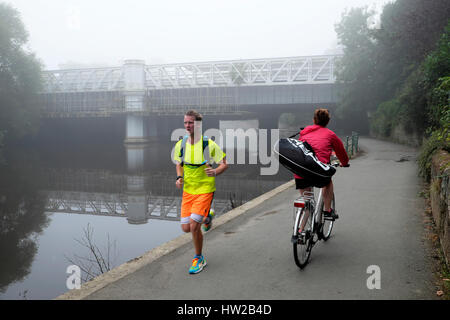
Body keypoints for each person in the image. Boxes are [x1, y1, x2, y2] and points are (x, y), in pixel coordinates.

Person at [173, 109, 228, 274]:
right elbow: (178, 163)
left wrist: (215, 171)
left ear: (198, 124)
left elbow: (224, 163)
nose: (188, 125)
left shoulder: (208, 144)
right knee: (186, 228)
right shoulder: (181, 144)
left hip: (205, 190)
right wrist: (178, 178)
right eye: (185, 122)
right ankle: (207, 217)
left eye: (191, 122)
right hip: (188, 191)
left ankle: (199, 258)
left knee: (194, 226)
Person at [295, 108, 349, 220]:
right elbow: (341, 152)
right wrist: (344, 163)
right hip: (319, 171)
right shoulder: (330, 134)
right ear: (327, 122)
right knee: (327, 182)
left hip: (301, 171)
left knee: (307, 203)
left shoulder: (304, 133)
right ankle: (327, 210)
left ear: (314, 120)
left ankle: (299, 232)